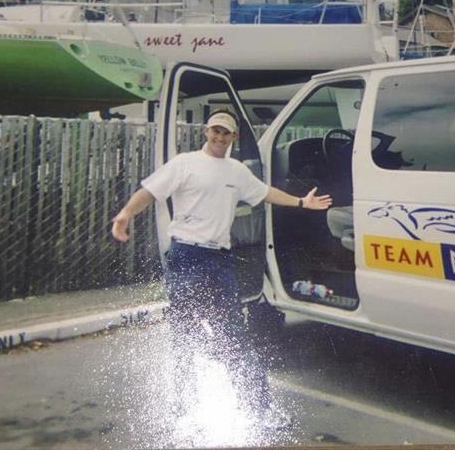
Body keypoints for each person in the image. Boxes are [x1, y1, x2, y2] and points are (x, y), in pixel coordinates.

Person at [111, 109, 332, 430]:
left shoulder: (237, 171)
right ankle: (185, 410)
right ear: (206, 131)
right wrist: (125, 214)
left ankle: (258, 410)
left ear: (233, 137)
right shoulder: (185, 163)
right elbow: (150, 191)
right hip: (186, 257)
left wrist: (301, 202)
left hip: (219, 261)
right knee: (184, 336)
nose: (219, 137)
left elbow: (265, 193)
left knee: (234, 336)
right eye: (215, 130)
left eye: (225, 133)